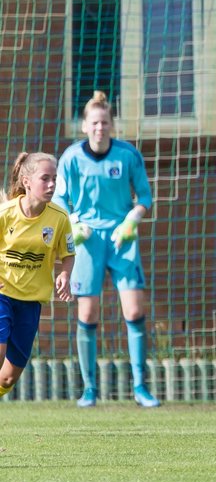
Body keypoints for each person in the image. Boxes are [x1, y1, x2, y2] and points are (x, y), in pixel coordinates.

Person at [53, 91, 160, 408]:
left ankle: (140, 388)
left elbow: (145, 198)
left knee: (135, 310)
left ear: (112, 125)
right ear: (84, 126)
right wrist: (73, 224)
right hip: (87, 240)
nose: (100, 128)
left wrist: (132, 220)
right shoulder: (71, 158)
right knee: (87, 313)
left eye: (105, 122)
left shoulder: (128, 155)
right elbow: (60, 199)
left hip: (122, 238)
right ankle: (89, 389)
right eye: (94, 122)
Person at [0, 153, 75, 400]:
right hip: (2, 295)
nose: (52, 184)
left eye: (54, 179)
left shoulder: (59, 218)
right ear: (27, 181)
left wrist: (65, 273)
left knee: (8, 378)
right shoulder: (6, 213)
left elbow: (68, 253)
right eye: (45, 178)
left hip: (31, 303)